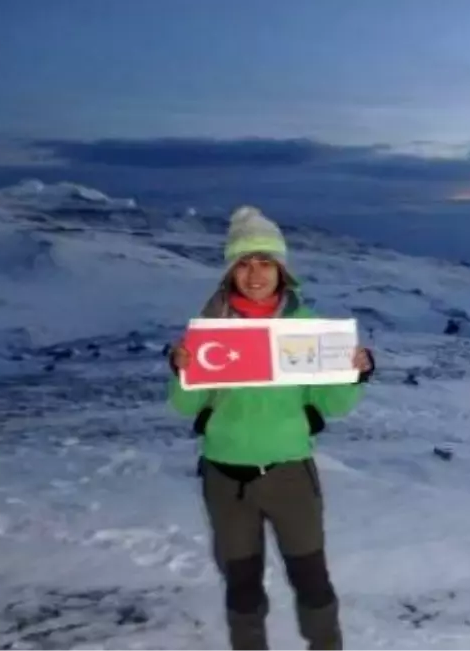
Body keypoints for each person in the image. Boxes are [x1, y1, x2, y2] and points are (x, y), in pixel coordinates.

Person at [166, 206, 374, 651]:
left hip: (288, 473)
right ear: (230, 271)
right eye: (243, 263)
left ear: (282, 271)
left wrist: (352, 372)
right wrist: (179, 368)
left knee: (311, 579)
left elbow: (333, 406)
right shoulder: (211, 328)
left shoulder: (309, 328)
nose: (254, 274)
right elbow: (186, 405)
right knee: (241, 587)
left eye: (265, 263)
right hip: (224, 477)